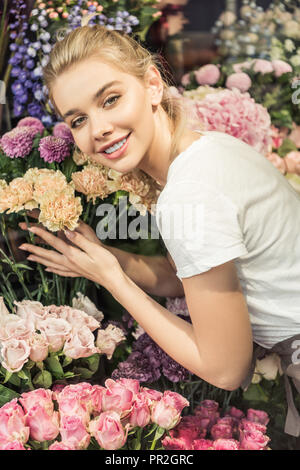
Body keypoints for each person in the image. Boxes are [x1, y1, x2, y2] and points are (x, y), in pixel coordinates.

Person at [17, 23, 300, 436]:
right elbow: (183, 278)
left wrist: (113, 280)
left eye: (111, 99)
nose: (98, 130)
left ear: (152, 84)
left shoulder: (190, 191)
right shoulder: (204, 150)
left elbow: (226, 368)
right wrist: (103, 258)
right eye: (78, 119)